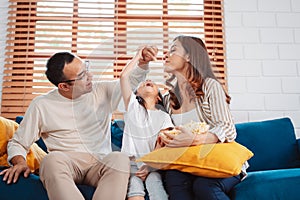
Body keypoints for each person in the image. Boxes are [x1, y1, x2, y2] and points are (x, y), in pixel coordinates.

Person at [0, 48, 157, 200]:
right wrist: (19, 162)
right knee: (50, 160)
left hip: (99, 163)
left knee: (120, 159)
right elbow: (18, 142)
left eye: (86, 68)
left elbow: (130, 82)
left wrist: (142, 63)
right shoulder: (42, 105)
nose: (90, 76)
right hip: (66, 164)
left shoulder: (101, 91)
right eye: (82, 75)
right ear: (64, 86)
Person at [158, 35, 245, 200]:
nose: (166, 55)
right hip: (185, 163)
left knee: (204, 187)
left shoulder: (210, 86)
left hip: (218, 161)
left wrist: (195, 139)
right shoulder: (168, 98)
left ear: (189, 56)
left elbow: (228, 129)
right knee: (175, 182)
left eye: (173, 50)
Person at [120, 47, 174, 200]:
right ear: (136, 94)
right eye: (143, 83)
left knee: (155, 184)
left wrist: (149, 166)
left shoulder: (163, 117)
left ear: (158, 98)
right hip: (130, 164)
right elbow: (124, 77)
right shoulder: (133, 108)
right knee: (134, 187)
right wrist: (138, 57)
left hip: (153, 164)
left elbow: (162, 143)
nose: (148, 81)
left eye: (152, 83)